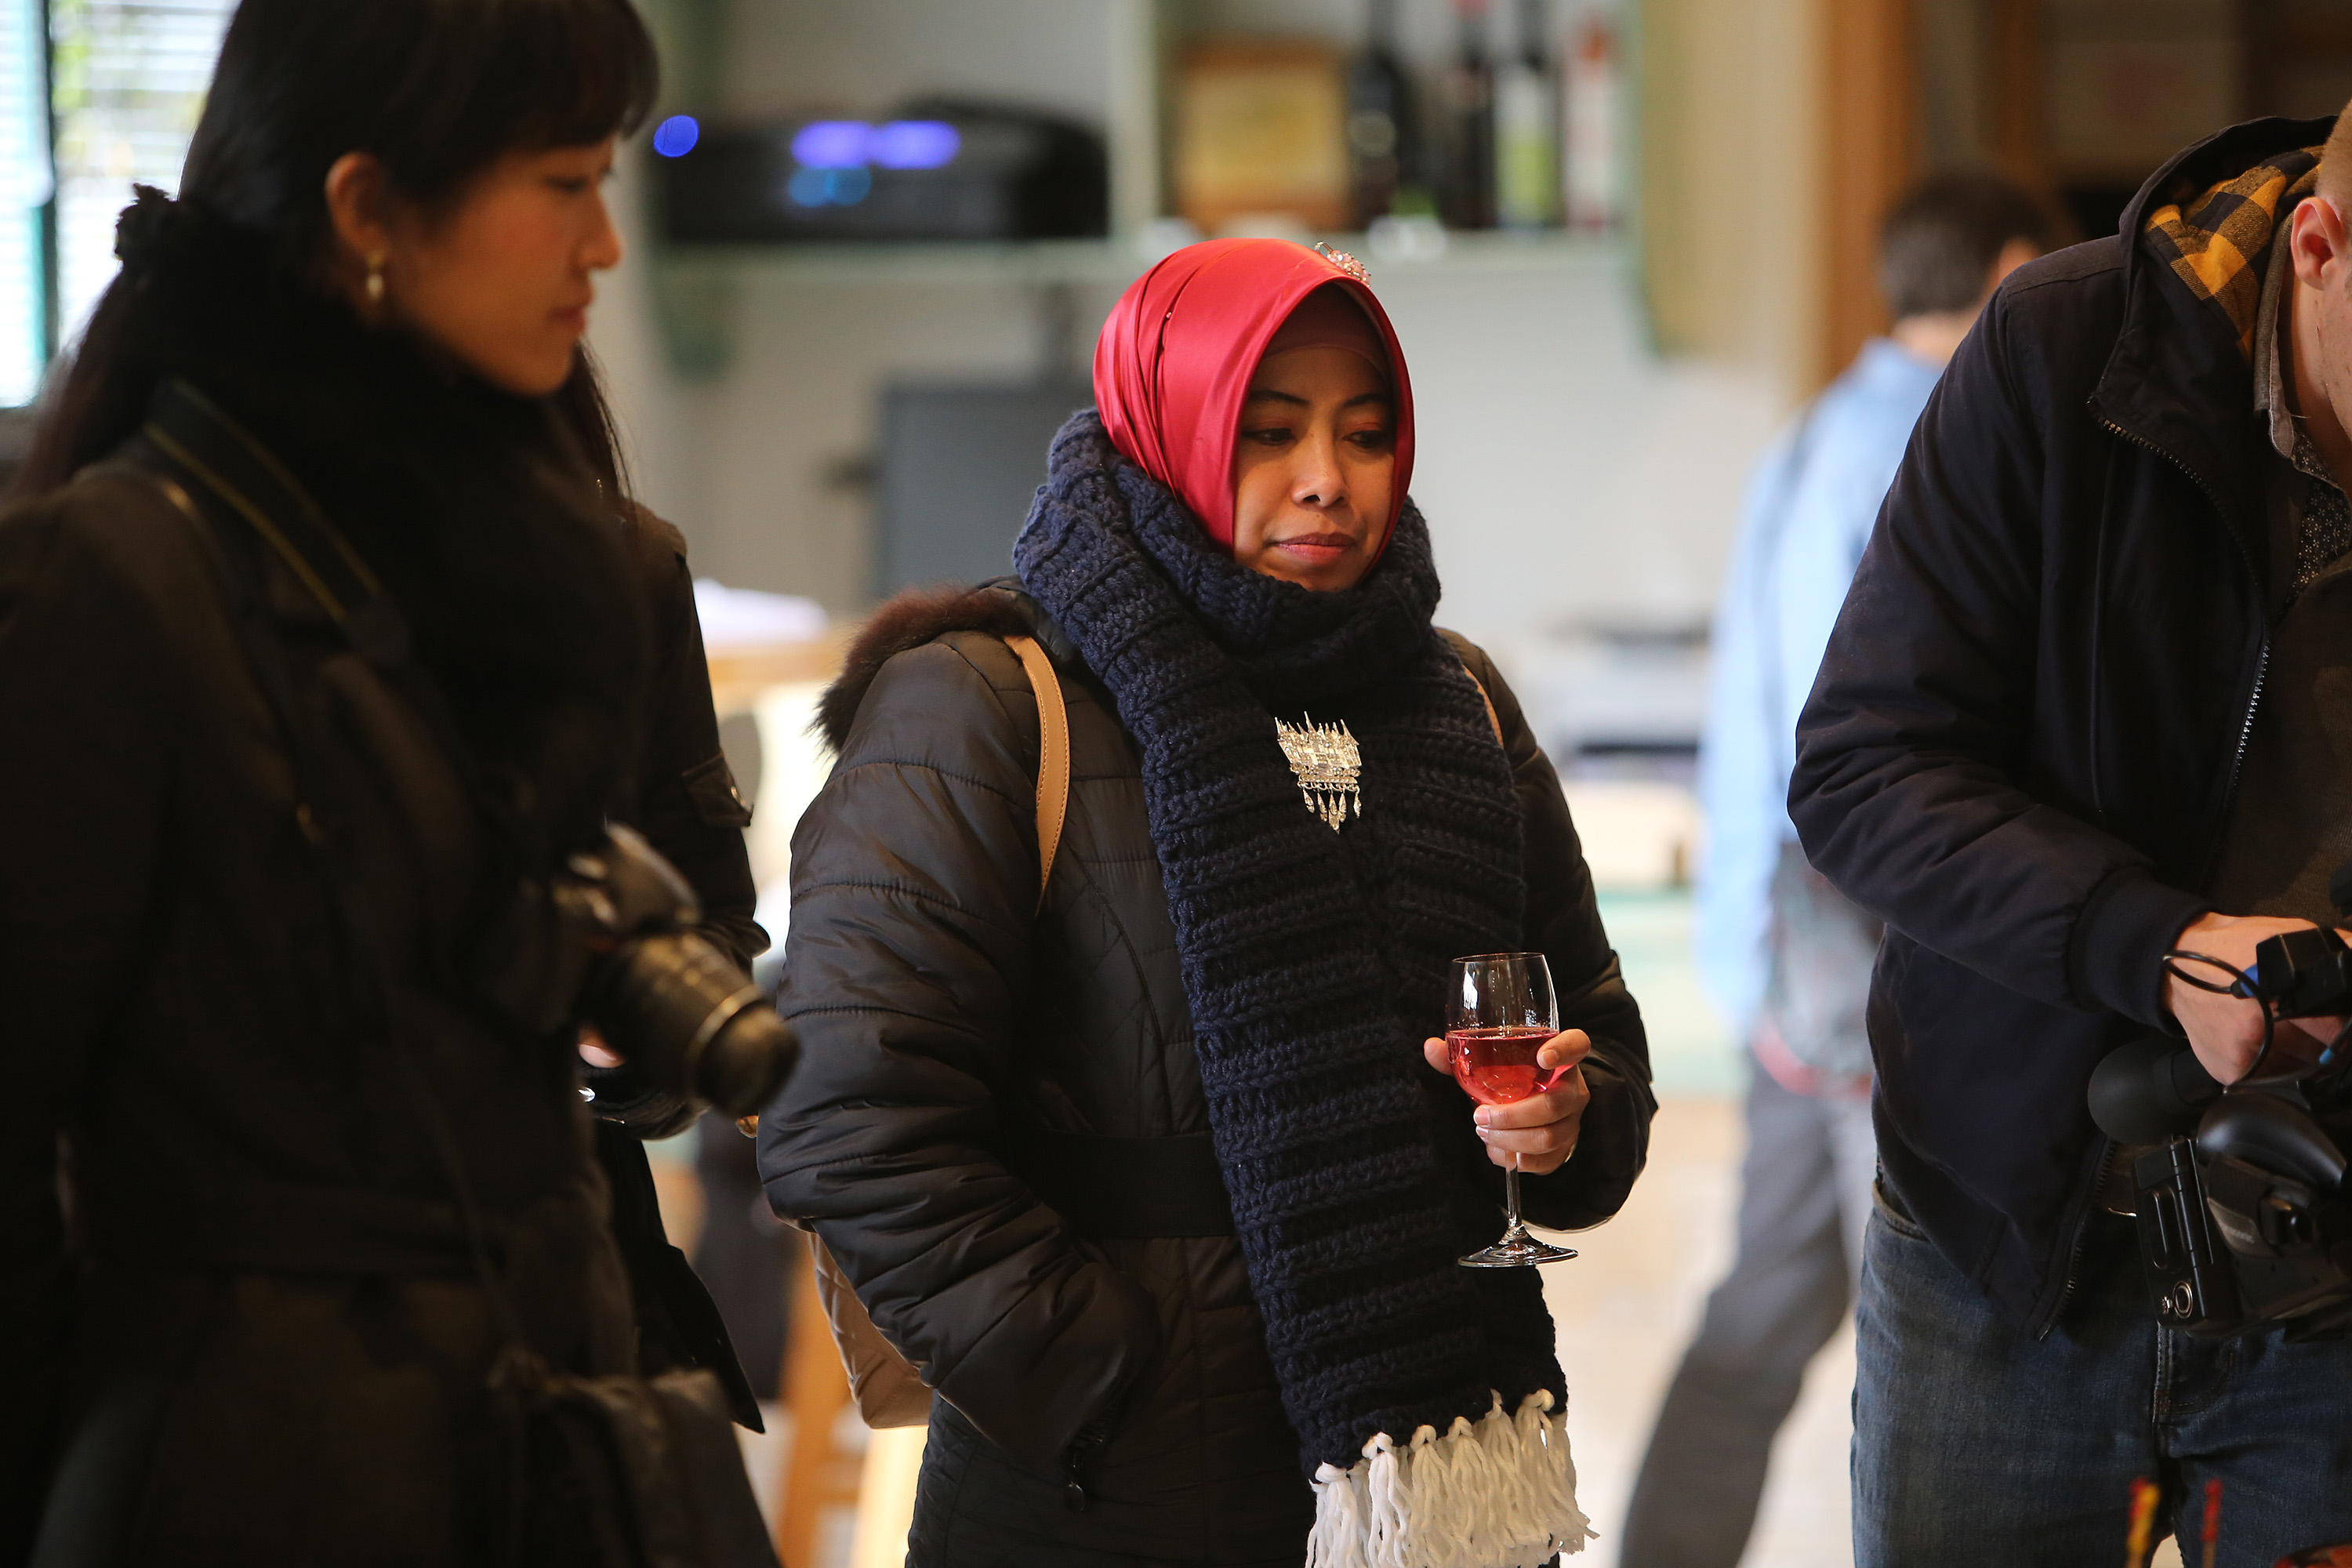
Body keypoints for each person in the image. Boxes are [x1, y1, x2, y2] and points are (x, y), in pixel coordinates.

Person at [0, 0, 771, 1559]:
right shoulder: (123, 576)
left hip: (558, 1414)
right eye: (563, 184)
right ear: (367, 210)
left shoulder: (566, 564)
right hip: (252, 1471)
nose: (606, 246)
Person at [758, 238, 1657, 1567]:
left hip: (1441, 1495)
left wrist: (1568, 1124)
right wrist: (1093, 1381)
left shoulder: (1459, 700)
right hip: (1099, 1503)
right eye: (1268, 430)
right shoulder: (986, 701)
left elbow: (1598, 1041)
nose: (1326, 477)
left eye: (1366, 434)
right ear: (1166, 428)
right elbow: (848, 1113)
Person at [1791, 108, 2352, 1564]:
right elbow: (1862, 770)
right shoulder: (2066, 346)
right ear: (2319, 244)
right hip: (2013, 1241)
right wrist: (2157, 946)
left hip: (2328, 1268)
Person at [1619, 171, 2053, 1568]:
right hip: (1864, 952)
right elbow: (1872, 752)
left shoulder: (1828, 424)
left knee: (1780, 1291)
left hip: (1796, 942)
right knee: (1946, 1311)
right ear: (2013, 271)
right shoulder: (1934, 435)